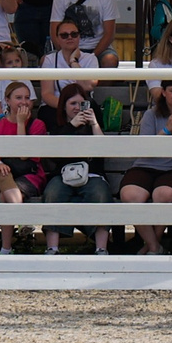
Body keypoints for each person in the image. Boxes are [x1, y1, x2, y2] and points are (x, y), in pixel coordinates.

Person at [119, 88, 172, 252]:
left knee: (164, 195)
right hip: (145, 166)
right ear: (163, 93)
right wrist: (167, 129)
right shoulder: (151, 114)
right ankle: (154, 246)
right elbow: (146, 149)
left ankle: (151, 245)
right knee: (130, 195)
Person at [43, 84, 114, 254]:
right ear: (64, 106)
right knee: (52, 193)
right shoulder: (57, 125)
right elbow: (54, 154)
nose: (77, 108)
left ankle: (101, 249)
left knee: (99, 193)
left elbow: (103, 150)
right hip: (64, 175)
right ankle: (52, 248)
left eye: (81, 103)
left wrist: (94, 123)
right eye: (72, 103)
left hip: (92, 174)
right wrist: (72, 126)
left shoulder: (92, 125)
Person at [0, 81, 50, 253]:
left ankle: (6, 248)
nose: (24, 102)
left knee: (6, 196)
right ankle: (23, 218)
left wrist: (21, 123)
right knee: (3, 175)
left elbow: (24, 155)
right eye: (18, 98)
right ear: (7, 100)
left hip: (29, 175)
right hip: (1, 174)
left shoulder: (37, 125)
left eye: (27, 98)